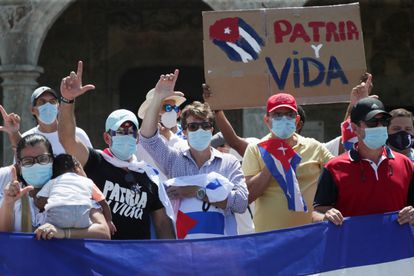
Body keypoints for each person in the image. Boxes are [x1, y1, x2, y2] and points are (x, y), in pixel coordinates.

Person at [58, 61, 175, 240]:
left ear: (137, 138)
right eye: (120, 132)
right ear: (107, 137)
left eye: (131, 132)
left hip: (137, 260)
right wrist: (67, 100)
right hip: (101, 257)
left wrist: (169, 262)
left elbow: (162, 224)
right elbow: (67, 140)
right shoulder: (95, 161)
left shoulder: (149, 176)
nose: (126, 136)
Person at [139, 69, 248, 239]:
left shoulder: (229, 162)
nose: (200, 130)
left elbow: (240, 203)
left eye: (204, 126)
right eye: (193, 127)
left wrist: (197, 192)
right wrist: (158, 98)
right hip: (184, 252)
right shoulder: (174, 159)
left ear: (212, 129)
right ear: (185, 131)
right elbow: (147, 139)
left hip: (220, 250)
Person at [312, 97, 414, 226]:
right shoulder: (334, 168)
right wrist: (325, 217)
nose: (380, 126)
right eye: (372, 122)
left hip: (395, 245)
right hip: (353, 245)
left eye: (384, 121)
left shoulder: (406, 165)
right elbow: (317, 213)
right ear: (355, 128)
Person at [242, 92, 333, 232]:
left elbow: (341, 172)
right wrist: (271, 166)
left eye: (289, 115)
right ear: (267, 120)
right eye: (277, 115)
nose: (284, 119)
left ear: (296, 120)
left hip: (310, 237)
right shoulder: (255, 149)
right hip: (269, 239)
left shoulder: (314, 147)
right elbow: (247, 196)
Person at [0, 134, 110, 240]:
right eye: (28, 161)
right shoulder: (13, 197)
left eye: (43, 159)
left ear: (52, 160)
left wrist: (64, 233)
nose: (36, 165)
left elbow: (104, 232)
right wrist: (8, 204)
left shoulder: (73, 189)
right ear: (19, 165)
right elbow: (4, 240)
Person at [36, 154, 116, 235]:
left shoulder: (53, 182)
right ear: (77, 167)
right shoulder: (88, 182)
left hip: (57, 218)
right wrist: (109, 221)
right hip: (82, 219)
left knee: (44, 226)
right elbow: (104, 203)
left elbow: (40, 202)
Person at [17, 86, 92, 156]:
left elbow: (92, 164)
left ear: (58, 107)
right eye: (42, 102)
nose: (48, 105)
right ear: (33, 110)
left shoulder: (77, 134)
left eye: (52, 101)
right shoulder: (26, 138)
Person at [136, 88, 188, 180]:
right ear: (152, 111)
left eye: (174, 108)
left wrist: (168, 136)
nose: (171, 112)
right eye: (167, 107)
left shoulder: (183, 140)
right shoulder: (136, 140)